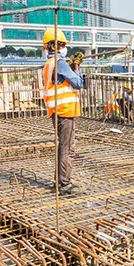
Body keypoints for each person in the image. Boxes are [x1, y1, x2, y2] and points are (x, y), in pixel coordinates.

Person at [42, 27, 84, 195]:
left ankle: (59, 180)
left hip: (56, 110)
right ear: (52, 46)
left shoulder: (50, 63)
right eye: (60, 45)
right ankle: (64, 183)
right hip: (64, 110)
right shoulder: (59, 62)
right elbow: (78, 83)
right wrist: (76, 67)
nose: (62, 47)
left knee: (63, 146)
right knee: (67, 148)